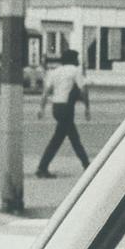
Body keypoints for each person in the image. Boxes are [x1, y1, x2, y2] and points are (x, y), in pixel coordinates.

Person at [36, 47, 90, 178]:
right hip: (67, 108)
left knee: (63, 138)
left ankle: (43, 167)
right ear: (72, 59)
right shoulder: (75, 71)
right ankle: (88, 167)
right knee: (71, 140)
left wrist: (41, 109)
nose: (78, 61)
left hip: (56, 107)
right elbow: (83, 90)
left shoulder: (54, 72)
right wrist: (87, 107)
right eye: (76, 58)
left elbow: (46, 92)